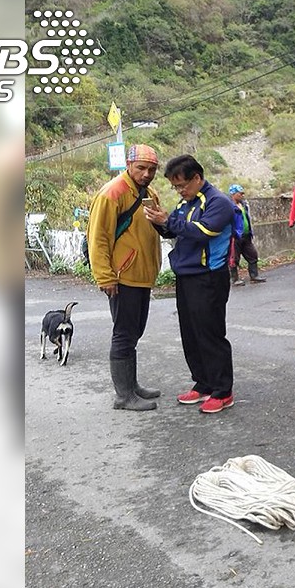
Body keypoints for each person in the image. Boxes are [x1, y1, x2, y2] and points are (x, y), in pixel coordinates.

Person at [143, 155, 236, 414]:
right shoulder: (187, 203)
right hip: (185, 275)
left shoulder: (219, 202)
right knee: (191, 333)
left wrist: (169, 221)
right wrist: (158, 222)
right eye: (175, 187)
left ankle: (222, 390)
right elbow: (176, 230)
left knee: (210, 333)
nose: (180, 191)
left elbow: (203, 231)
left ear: (197, 178)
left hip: (209, 276)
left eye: (182, 185)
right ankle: (203, 383)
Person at [86, 144, 163, 412]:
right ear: (128, 165)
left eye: (152, 169)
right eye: (141, 168)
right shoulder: (112, 193)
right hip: (122, 276)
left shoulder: (148, 192)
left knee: (134, 332)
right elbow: (98, 238)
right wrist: (105, 276)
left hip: (141, 275)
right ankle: (123, 396)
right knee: (124, 333)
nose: (146, 173)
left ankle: (131, 386)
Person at [227, 184, 266, 285]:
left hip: (246, 235)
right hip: (235, 236)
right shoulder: (228, 206)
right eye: (240, 194)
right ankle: (234, 279)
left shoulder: (244, 205)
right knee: (234, 258)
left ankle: (254, 276)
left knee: (252, 255)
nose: (242, 195)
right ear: (233, 194)